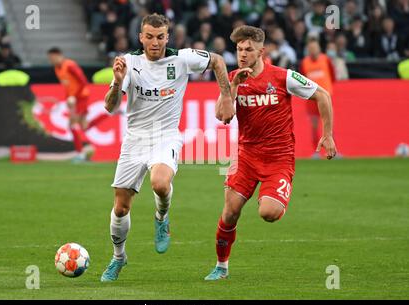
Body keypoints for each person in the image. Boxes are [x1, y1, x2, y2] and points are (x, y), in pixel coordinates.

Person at [100, 13, 234, 282]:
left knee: (160, 184)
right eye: (149, 36)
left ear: (167, 37)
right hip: (135, 139)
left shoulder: (182, 58)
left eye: (160, 37)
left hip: (166, 136)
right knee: (121, 208)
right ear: (141, 37)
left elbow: (218, 61)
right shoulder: (128, 62)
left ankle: (162, 217)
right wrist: (116, 81)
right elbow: (110, 106)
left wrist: (227, 96)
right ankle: (118, 258)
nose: (155, 42)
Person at [204, 25, 337, 280]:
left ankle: (271, 191)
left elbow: (323, 95)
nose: (242, 54)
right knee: (230, 212)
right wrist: (232, 87)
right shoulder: (231, 77)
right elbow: (222, 116)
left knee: (269, 213)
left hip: (279, 157)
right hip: (246, 155)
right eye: (239, 49)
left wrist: (327, 134)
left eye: (248, 50)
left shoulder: (283, 77)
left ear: (261, 52)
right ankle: (221, 266)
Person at [47, 47, 100, 162]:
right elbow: (67, 86)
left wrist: (74, 96)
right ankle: (107, 115)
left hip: (81, 97)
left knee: (72, 124)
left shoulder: (70, 65)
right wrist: (68, 98)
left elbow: (83, 81)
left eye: (52, 58)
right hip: (73, 99)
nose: (50, 60)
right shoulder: (57, 68)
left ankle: (80, 153)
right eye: (49, 58)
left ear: (58, 55)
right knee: (84, 127)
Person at [300, 38, 336, 158]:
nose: (313, 50)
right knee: (314, 125)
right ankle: (316, 152)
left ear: (319, 48)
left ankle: (333, 151)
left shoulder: (326, 59)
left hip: (325, 97)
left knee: (328, 124)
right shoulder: (304, 62)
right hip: (312, 99)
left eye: (315, 48)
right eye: (311, 48)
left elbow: (332, 75)